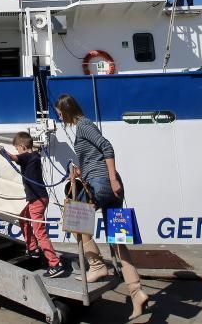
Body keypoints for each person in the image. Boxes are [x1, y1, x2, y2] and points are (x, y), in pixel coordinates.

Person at [55, 94, 150, 321]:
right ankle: (137, 293)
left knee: (74, 219)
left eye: (59, 112)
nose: (58, 116)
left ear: (66, 109)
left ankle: (96, 265)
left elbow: (107, 147)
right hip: (108, 185)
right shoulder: (83, 128)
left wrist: (111, 178)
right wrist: (82, 170)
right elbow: (96, 156)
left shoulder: (84, 126)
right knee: (117, 243)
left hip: (103, 184)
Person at [0, 132, 69, 279]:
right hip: (39, 198)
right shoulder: (35, 156)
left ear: (23, 147)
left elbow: (12, 157)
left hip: (36, 200)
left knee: (40, 232)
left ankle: (55, 263)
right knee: (23, 217)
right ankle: (32, 248)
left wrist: (0, 149)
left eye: (17, 148)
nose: (17, 151)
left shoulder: (26, 156)